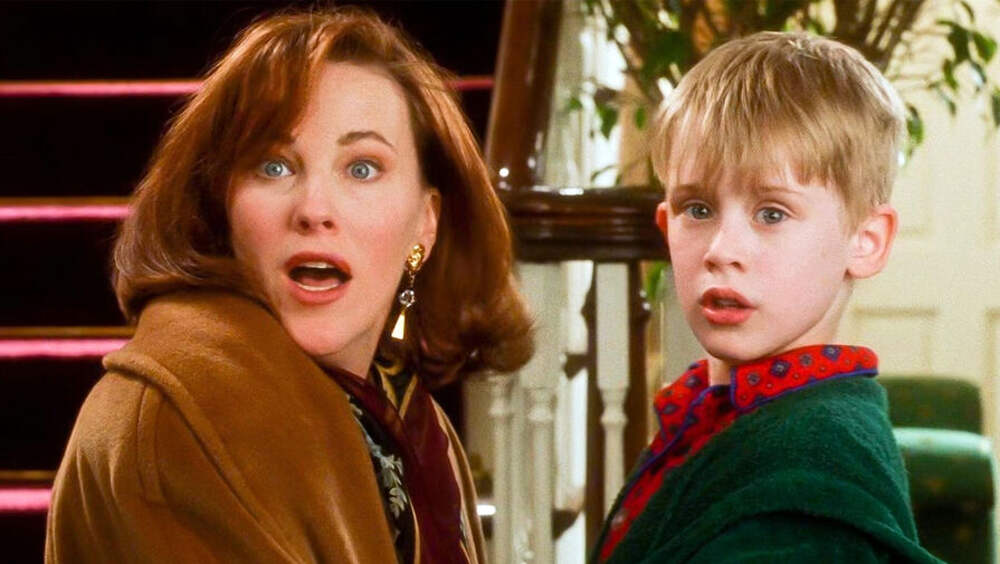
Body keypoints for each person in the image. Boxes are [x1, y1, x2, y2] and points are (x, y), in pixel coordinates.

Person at [45, 8, 532, 564]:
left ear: (426, 222)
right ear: (220, 205)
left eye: (362, 168)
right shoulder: (185, 414)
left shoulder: (412, 419)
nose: (313, 209)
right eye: (274, 167)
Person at [593, 32, 942, 563]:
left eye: (771, 213)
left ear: (866, 241)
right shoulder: (719, 418)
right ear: (666, 227)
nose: (721, 250)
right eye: (697, 209)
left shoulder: (813, 468)